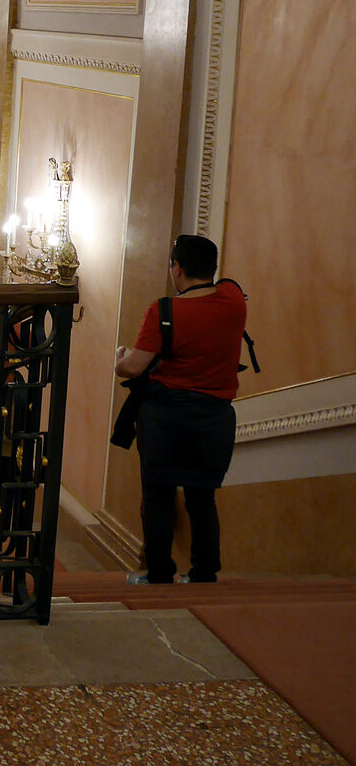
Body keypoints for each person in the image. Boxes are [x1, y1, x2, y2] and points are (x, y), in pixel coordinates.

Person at [115, 235, 246, 586]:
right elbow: (227, 292)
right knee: (202, 496)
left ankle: (159, 575)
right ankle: (204, 574)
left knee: (157, 496)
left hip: (166, 418)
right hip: (216, 417)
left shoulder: (164, 311)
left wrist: (118, 359)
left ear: (178, 268)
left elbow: (132, 368)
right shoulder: (234, 300)